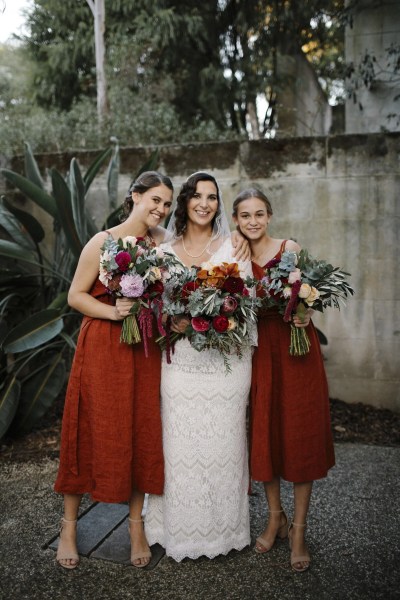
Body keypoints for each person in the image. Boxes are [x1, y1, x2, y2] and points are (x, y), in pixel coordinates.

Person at [54, 171, 174, 569]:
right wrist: (113, 310)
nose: (161, 209)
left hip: (144, 350)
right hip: (103, 347)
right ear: (135, 196)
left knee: (141, 429)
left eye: (167, 203)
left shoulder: (160, 244)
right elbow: (75, 296)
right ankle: (69, 527)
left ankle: (135, 525)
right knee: (88, 428)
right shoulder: (102, 241)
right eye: (155, 200)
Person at [144, 172, 256, 561]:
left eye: (212, 197)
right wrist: (169, 321)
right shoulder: (164, 251)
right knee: (179, 443)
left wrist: (224, 317)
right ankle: (177, 528)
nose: (205, 203)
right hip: (179, 363)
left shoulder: (234, 247)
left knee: (224, 442)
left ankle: (223, 530)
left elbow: (248, 307)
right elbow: (151, 307)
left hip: (226, 363)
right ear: (185, 202)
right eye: (197, 196)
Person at [232, 188, 335, 573]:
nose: (253, 221)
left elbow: (309, 292)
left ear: (270, 215)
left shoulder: (289, 246)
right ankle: (276, 517)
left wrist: (306, 313)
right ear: (237, 220)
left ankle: (300, 531)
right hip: (260, 352)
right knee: (267, 433)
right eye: (245, 216)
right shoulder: (238, 254)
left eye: (259, 213)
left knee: (300, 434)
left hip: (296, 351)